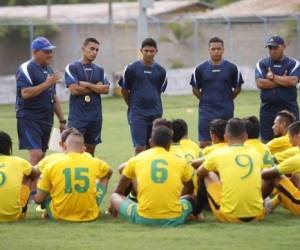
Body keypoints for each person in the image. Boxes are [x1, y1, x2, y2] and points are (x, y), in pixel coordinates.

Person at [110, 126, 194, 226]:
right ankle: (190, 214)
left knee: (115, 196)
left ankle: (113, 213)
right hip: (175, 218)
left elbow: (119, 190)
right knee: (191, 198)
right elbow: (190, 187)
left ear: (150, 142)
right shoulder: (180, 161)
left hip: (143, 218)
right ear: (170, 144)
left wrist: (113, 207)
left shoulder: (137, 159)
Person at [197, 118, 266, 223]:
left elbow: (199, 173)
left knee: (208, 174)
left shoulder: (218, 153)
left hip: (229, 216)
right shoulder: (256, 154)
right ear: (246, 137)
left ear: (225, 137)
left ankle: (197, 211)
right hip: (258, 215)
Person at [34, 131, 112, 221]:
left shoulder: (51, 164)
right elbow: (109, 171)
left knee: (48, 185)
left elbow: (38, 199)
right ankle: (93, 204)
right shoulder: (93, 161)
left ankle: (48, 211)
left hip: (59, 214)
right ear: (83, 149)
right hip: (89, 214)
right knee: (104, 175)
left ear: (64, 146)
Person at [16, 37, 66, 166]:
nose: (50, 54)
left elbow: (53, 96)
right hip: (29, 118)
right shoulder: (26, 68)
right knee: (36, 154)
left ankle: (37, 186)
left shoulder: (49, 70)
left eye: (51, 51)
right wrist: (47, 83)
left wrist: (62, 120)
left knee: (42, 156)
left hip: (46, 119)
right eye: (46, 51)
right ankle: (26, 185)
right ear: (35, 52)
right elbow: (25, 93)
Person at [190, 37, 244, 148]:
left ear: (223, 49)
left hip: (226, 109)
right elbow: (195, 89)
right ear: (209, 50)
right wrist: (205, 99)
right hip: (206, 110)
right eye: (213, 49)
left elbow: (237, 88)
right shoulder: (200, 69)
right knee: (205, 142)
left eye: (218, 49)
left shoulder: (232, 68)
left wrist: (228, 98)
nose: (216, 51)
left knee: (227, 140)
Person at [119, 38, 167, 155]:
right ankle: (138, 172)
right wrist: (133, 105)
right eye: (146, 51)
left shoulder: (161, 71)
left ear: (156, 51)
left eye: (152, 51)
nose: (149, 53)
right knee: (139, 148)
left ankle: (149, 173)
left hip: (155, 113)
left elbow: (158, 92)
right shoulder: (131, 68)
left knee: (154, 147)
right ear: (141, 51)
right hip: (138, 113)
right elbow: (124, 90)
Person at [65, 37, 110, 156]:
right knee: (73, 151)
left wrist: (86, 84)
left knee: (90, 152)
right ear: (83, 48)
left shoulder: (100, 70)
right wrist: (96, 87)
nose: (94, 52)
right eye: (91, 49)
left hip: (95, 118)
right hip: (78, 117)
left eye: (97, 50)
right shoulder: (72, 67)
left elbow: (105, 89)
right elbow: (74, 90)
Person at [255, 35, 300, 143]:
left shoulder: (293, 63)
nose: (272, 51)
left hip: (289, 109)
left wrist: (273, 77)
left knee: (292, 140)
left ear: (283, 47)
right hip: (267, 110)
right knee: (266, 141)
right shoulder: (262, 63)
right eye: (270, 48)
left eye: (275, 48)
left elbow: (293, 81)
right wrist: (283, 80)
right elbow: (260, 83)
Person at [0, 131, 38, 221]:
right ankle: (22, 208)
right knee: (28, 176)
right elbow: (34, 173)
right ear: (9, 147)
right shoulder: (19, 161)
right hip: (12, 216)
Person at [262, 129, 300, 215]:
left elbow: (266, 172)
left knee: (273, 175)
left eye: (289, 136)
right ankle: (271, 204)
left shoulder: (295, 157)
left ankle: (257, 203)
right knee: (294, 177)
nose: (289, 139)